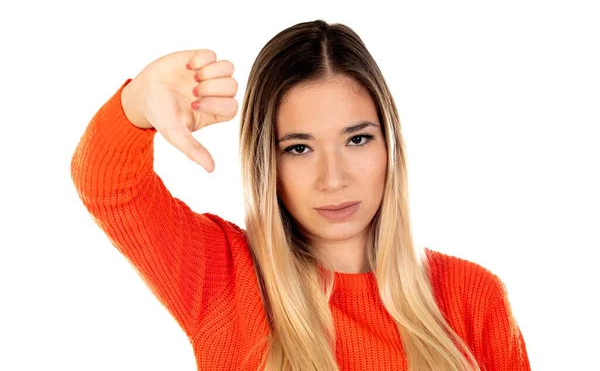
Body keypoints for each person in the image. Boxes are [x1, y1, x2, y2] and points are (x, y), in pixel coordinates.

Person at [70, 20, 530, 371]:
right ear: (266, 163)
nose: (334, 179)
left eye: (357, 139)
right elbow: (110, 190)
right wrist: (138, 105)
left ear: (391, 144)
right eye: (299, 148)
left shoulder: (472, 295)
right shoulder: (225, 278)